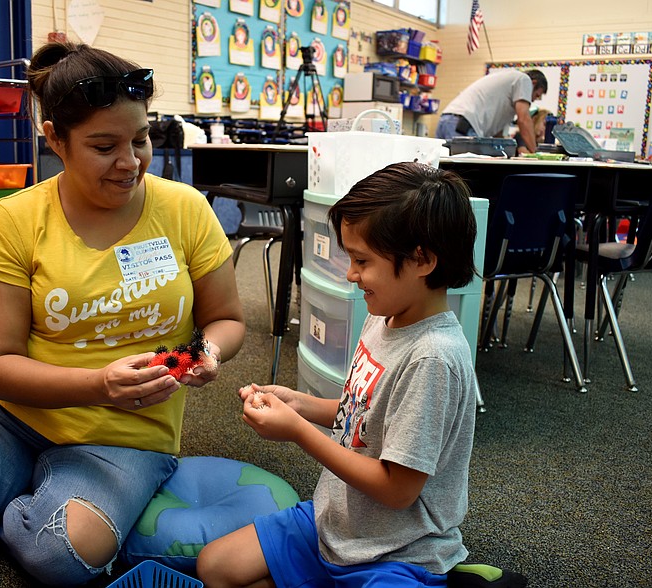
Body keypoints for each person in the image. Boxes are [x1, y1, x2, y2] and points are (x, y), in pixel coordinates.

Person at [0, 41, 245, 587]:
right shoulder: (12, 220)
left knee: (63, 557)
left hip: (129, 435)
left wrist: (206, 351)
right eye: (104, 146)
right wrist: (99, 383)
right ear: (55, 139)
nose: (130, 162)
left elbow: (227, 319)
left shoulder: (185, 209)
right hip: (13, 418)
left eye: (140, 139)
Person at [197, 162, 482, 587]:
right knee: (214, 566)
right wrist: (300, 404)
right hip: (334, 524)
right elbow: (365, 415)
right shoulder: (384, 316)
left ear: (422, 260)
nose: (350, 273)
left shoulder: (432, 359)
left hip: (399, 553)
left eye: (362, 260)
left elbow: (397, 490)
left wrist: (298, 431)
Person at [436, 69, 548, 154]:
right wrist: (536, 153)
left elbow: (498, 136)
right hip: (462, 125)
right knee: (466, 173)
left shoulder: (508, 88)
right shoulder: (524, 80)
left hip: (449, 120)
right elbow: (523, 120)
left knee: (442, 171)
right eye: (536, 95)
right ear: (533, 83)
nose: (533, 100)